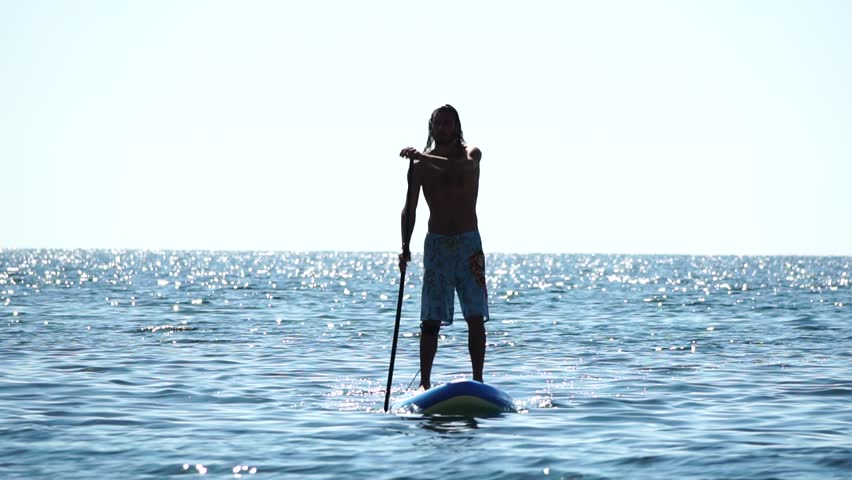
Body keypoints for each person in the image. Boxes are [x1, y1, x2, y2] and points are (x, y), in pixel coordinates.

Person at [398, 104, 488, 390]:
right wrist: (405, 247)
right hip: (436, 245)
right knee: (430, 320)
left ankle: (478, 380)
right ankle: (425, 383)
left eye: (449, 123)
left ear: (457, 127)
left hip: (468, 244)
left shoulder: (471, 154)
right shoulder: (420, 168)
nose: (444, 128)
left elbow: (461, 168)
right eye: (439, 124)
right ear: (432, 128)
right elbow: (409, 210)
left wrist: (421, 155)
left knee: (475, 316)